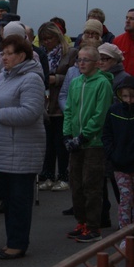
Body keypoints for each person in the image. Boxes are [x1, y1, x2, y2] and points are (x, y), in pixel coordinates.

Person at [0, 34, 46, 259]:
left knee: (19, 200)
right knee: (8, 200)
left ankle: (18, 244)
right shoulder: (1, 76)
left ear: (22, 55)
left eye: (9, 54)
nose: (4, 58)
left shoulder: (31, 79)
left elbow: (31, 112)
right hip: (3, 147)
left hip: (22, 149)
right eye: (3, 53)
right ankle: (12, 241)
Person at [63, 46, 113, 243]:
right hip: (76, 143)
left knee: (91, 185)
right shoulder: (76, 83)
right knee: (76, 184)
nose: (81, 63)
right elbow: (68, 110)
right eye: (79, 59)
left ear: (97, 63)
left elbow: (100, 115)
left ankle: (94, 226)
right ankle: (81, 221)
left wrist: (83, 136)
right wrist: (67, 135)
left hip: (93, 143)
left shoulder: (102, 84)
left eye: (86, 60)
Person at [37, 22, 78, 192]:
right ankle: (47, 176)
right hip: (46, 103)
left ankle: (63, 176)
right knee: (47, 144)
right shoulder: (41, 54)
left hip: (62, 104)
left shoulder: (70, 53)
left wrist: (57, 79)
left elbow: (74, 76)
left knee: (61, 143)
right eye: (43, 39)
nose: (47, 42)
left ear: (58, 37)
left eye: (49, 38)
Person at [103, 76, 134, 235]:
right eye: (126, 96)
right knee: (125, 199)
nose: (129, 100)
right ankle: (125, 234)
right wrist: (112, 155)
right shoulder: (114, 111)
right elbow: (107, 134)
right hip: (120, 164)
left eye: (133, 96)